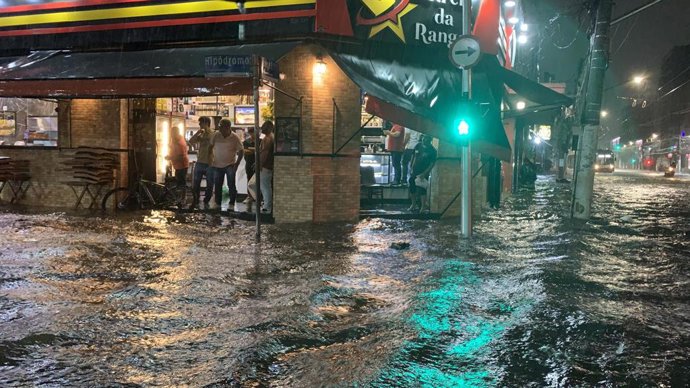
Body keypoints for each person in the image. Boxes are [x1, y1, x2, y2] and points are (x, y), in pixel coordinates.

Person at [210, 119, 244, 210]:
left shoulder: (235, 137)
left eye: (222, 128)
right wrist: (210, 159)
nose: (220, 129)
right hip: (217, 164)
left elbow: (241, 151)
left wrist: (236, 165)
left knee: (231, 184)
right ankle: (218, 203)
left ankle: (232, 203)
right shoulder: (216, 135)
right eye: (220, 127)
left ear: (228, 127)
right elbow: (210, 147)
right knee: (218, 185)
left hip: (230, 164)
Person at [248, 121, 275, 213]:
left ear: (269, 128)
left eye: (264, 126)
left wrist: (259, 164)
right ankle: (265, 203)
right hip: (265, 166)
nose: (262, 128)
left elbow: (265, 153)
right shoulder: (269, 137)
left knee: (264, 186)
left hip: (265, 166)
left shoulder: (268, 138)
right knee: (259, 185)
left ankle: (267, 206)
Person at [187, 116, 215, 209]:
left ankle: (207, 200)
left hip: (209, 162)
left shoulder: (213, 133)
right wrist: (198, 133)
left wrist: (206, 131)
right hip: (200, 161)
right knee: (196, 182)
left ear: (206, 123)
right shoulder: (201, 134)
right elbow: (191, 141)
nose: (199, 125)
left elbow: (212, 141)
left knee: (210, 183)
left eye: (200, 123)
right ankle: (196, 199)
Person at [408, 134, 437, 213]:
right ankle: (413, 204)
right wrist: (411, 166)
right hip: (415, 170)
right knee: (412, 187)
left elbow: (432, 164)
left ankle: (423, 206)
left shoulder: (432, 151)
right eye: (423, 139)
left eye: (426, 139)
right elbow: (413, 156)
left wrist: (425, 173)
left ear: (430, 140)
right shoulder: (418, 146)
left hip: (423, 172)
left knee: (422, 189)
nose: (424, 141)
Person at [165, 127, 190, 207]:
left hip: (182, 165)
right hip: (177, 165)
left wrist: (170, 158)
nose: (171, 135)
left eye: (172, 133)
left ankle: (183, 199)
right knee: (179, 182)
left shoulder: (180, 143)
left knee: (181, 183)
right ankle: (180, 198)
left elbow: (180, 157)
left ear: (175, 133)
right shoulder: (174, 140)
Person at [242, 127, 259, 208]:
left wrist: (252, 150)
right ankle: (250, 196)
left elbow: (261, 151)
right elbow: (244, 151)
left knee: (259, 181)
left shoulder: (261, 141)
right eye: (252, 133)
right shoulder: (246, 141)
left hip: (258, 163)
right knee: (249, 180)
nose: (254, 134)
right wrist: (254, 150)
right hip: (249, 163)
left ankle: (259, 198)